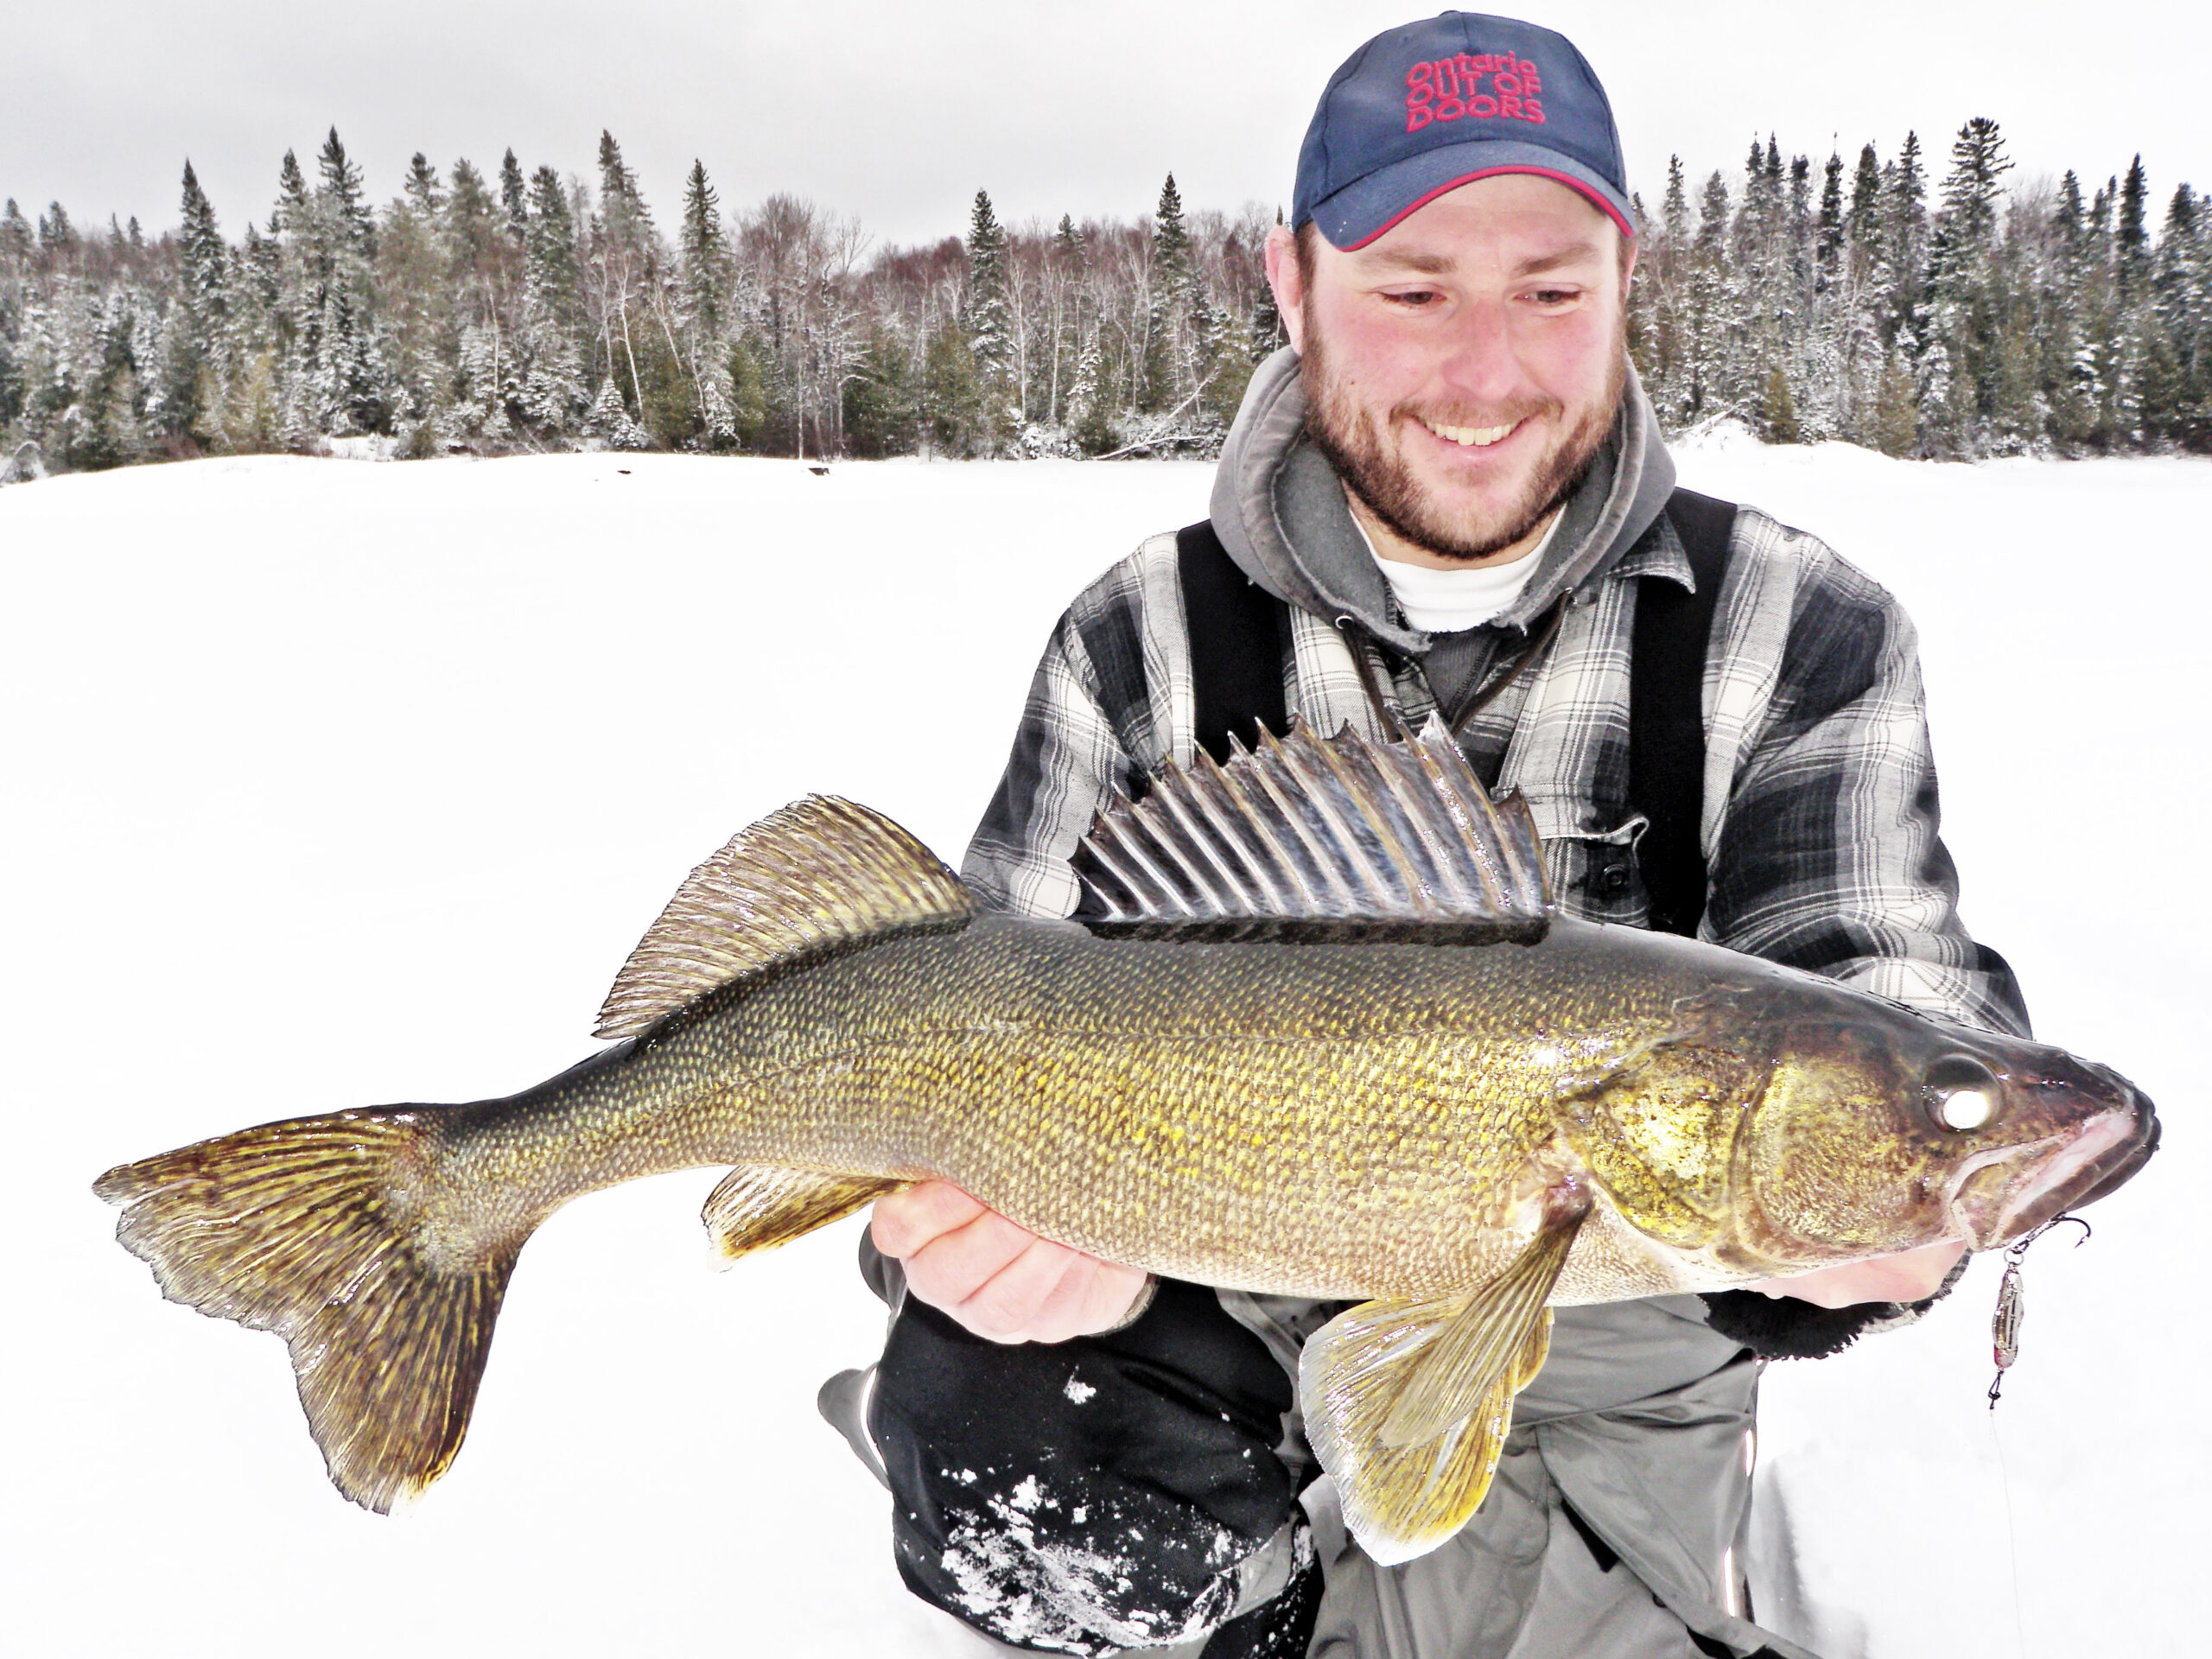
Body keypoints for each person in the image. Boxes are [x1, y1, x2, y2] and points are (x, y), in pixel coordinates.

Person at [828, 13, 2027, 1657]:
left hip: (1616, 1330)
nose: (1487, 374)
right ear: (1290, 281)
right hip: (1208, 1285)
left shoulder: (1794, 627)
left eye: (1549, 290)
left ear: (1624, 281)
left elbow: (1885, 976)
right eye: (1410, 290)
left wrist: (1899, 1182)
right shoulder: (1141, 641)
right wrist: (997, 1254)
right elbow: (952, 1022)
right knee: (992, 1409)